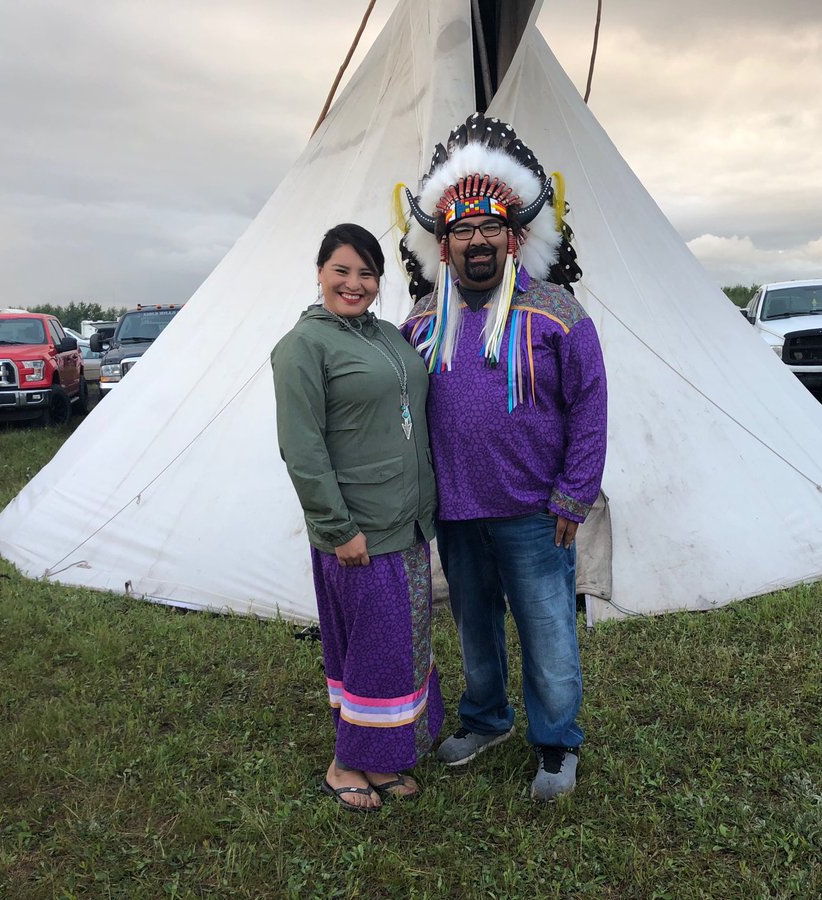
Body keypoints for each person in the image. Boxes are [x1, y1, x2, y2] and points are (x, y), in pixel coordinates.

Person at [398, 115, 607, 801]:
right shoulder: (421, 322)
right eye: (462, 230)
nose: (478, 240)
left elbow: (590, 404)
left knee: (548, 630)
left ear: (514, 237)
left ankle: (556, 742)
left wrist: (575, 493)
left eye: (491, 227)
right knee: (474, 629)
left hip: (534, 513)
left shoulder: (557, 313)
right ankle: (486, 719)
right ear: (443, 244)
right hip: (456, 511)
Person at [271, 223, 442, 812]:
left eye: (367, 273)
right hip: (360, 527)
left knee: (399, 643)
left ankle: (380, 756)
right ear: (320, 273)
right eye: (341, 270)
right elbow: (302, 448)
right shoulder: (303, 346)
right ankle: (346, 762)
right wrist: (338, 529)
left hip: (408, 520)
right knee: (372, 645)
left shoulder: (388, 334)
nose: (354, 283)